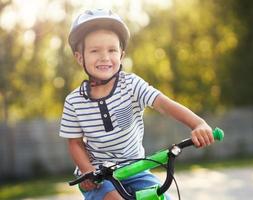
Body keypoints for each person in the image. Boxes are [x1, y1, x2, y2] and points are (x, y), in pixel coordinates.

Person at [59, 8, 214, 200]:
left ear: (122, 55)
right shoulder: (74, 102)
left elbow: (164, 104)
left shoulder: (132, 85)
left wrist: (197, 124)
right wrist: (88, 171)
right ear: (80, 57)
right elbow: (74, 142)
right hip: (99, 176)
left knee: (162, 198)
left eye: (112, 50)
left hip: (136, 170)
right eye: (95, 51)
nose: (105, 57)